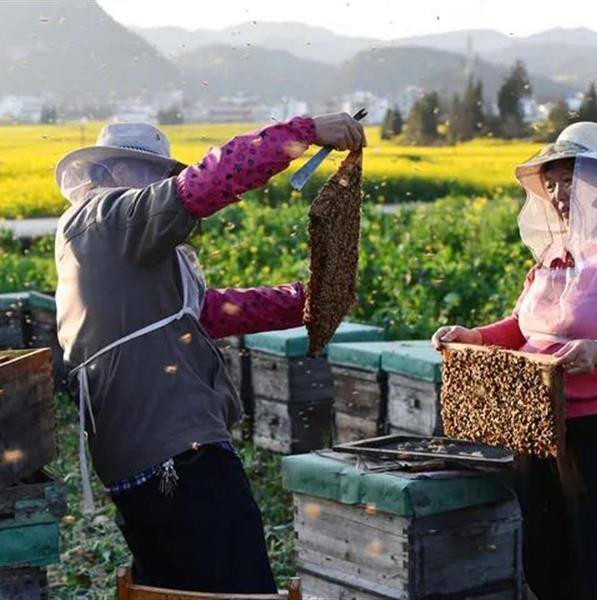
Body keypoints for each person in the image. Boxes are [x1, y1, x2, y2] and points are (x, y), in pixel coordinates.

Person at [54, 113, 366, 593]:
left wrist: (306, 301)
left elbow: (205, 313)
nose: (163, 182)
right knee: (239, 586)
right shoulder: (105, 220)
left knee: (179, 586)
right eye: (152, 171)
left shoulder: (121, 246)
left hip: (150, 448)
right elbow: (204, 185)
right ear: (115, 171)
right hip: (174, 450)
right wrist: (303, 132)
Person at [431, 121, 597, 600]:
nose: (559, 194)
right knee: (545, 548)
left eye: (570, 180)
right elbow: (522, 327)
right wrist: (475, 337)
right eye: (552, 183)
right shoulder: (552, 260)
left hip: (591, 430)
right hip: (534, 424)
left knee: (591, 549)